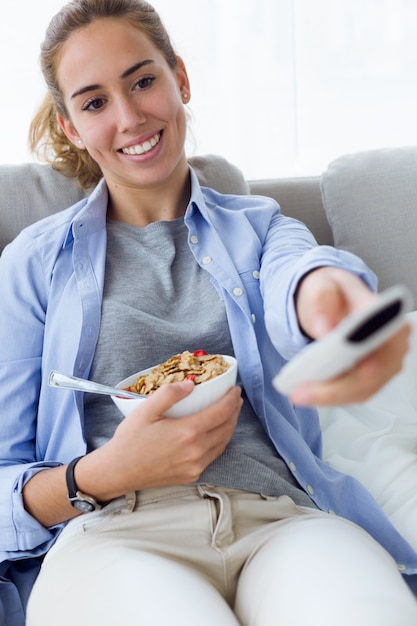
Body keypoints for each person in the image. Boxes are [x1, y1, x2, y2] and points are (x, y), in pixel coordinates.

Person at [0, 1, 416, 624]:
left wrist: (328, 298)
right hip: (115, 535)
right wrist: (102, 474)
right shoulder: (33, 264)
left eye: (143, 81)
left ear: (181, 80)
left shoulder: (262, 225)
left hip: (281, 519)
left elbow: (297, 277)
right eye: (94, 102)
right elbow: (6, 474)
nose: (130, 116)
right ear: (70, 127)